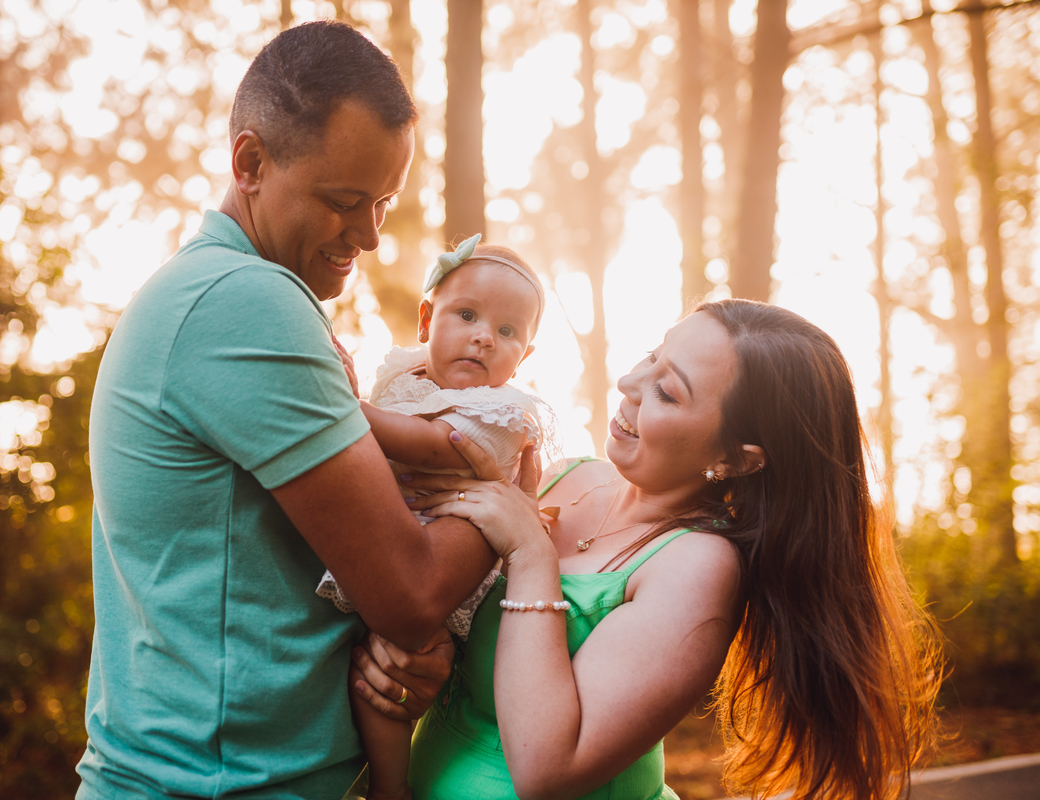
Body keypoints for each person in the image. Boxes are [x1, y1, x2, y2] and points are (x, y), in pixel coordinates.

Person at [76, 21, 501, 799]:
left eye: (383, 201)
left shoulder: (210, 293)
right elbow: (409, 593)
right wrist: (506, 500)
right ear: (250, 163)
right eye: (344, 202)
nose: (370, 235)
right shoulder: (247, 302)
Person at [352, 299, 941, 800]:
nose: (630, 384)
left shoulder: (696, 566)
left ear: (736, 458)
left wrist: (531, 553)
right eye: (651, 357)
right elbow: (463, 636)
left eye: (666, 390)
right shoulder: (565, 476)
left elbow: (547, 768)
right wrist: (424, 671)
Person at [318, 234, 548, 800]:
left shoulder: (503, 412)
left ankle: (392, 787)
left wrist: (343, 403)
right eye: (466, 315)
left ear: (525, 355)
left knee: (394, 665)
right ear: (427, 320)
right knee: (358, 663)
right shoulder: (406, 379)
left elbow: (429, 444)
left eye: (507, 331)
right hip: (384, 534)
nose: (483, 337)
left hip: (439, 558)